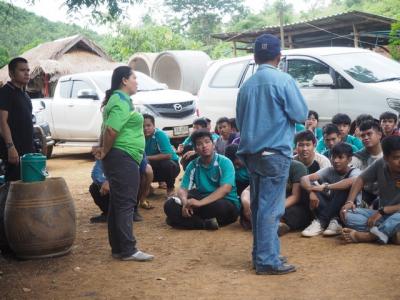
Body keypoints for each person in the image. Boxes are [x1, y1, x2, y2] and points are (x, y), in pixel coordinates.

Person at [236, 34, 308, 275]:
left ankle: (261, 255)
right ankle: (267, 260)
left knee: (259, 207)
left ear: (255, 57)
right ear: (279, 56)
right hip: (274, 152)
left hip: (252, 154)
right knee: (271, 208)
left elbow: (240, 121)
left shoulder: (246, 86)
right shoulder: (284, 80)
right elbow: (300, 114)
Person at [97, 66, 153, 261]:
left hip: (122, 156)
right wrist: (104, 150)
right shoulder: (120, 101)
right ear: (124, 80)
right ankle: (128, 249)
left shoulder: (121, 100)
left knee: (118, 203)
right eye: (134, 78)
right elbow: (111, 130)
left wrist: (105, 151)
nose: (137, 81)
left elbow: (108, 129)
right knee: (126, 203)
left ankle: (119, 248)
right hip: (123, 156)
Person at [163, 129, 240, 230]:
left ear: (213, 144)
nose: (204, 146)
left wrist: (200, 203)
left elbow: (225, 189)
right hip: (202, 200)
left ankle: (182, 221)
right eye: (199, 144)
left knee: (218, 207)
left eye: (207, 142)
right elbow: (183, 189)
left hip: (225, 202)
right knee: (170, 204)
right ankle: (205, 224)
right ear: (195, 148)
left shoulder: (225, 162)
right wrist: (185, 202)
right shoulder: (193, 165)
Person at [341, 136, 400, 245]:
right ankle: (389, 232)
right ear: (386, 158)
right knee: (346, 213)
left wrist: (383, 211)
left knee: (397, 218)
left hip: (393, 214)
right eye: (396, 158)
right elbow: (360, 179)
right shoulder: (380, 164)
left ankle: (367, 236)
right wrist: (349, 202)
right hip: (382, 216)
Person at [300, 143, 360, 237]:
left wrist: (326, 187)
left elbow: (350, 182)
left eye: (340, 157)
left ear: (349, 159)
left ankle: (322, 222)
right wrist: (311, 192)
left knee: (344, 188)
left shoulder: (355, 172)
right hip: (332, 206)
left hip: (350, 208)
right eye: (333, 157)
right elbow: (304, 178)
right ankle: (333, 221)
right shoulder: (329, 170)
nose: (336, 161)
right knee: (307, 186)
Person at [0, 57, 34, 182]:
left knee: (28, 188)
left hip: (27, 151)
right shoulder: (5, 92)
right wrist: (10, 147)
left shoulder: (24, 94)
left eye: (28, 70)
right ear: (11, 73)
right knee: (14, 188)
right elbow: (2, 122)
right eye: (22, 70)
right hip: (14, 151)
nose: (26, 73)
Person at [88, 155, 151, 223]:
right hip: (113, 185)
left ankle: (133, 210)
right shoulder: (106, 151)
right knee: (94, 187)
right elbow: (96, 174)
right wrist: (106, 182)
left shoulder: (135, 149)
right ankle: (108, 213)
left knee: (141, 175)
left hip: (129, 183)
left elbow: (143, 168)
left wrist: (113, 182)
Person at [143, 114, 180, 196]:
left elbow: (168, 155)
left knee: (167, 164)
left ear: (154, 125)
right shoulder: (139, 136)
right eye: (143, 126)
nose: (145, 128)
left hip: (172, 166)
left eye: (148, 125)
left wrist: (146, 158)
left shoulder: (159, 134)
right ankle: (148, 187)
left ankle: (170, 188)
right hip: (153, 165)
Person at [351, 120, 383, 207]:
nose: (365, 137)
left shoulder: (390, 154)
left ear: (379, 135)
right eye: (362, 135)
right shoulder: (357, 157)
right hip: (364, 194)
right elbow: (351, 179)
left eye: (369, 134)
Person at [279, 160, 310, 236]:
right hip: (278, 201)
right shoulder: (266, 167)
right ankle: (275, 223)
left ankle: (278, 223)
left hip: (295, 204)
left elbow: (296, 197)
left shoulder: (297, 167)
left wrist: (275, 209)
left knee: (293, 213)